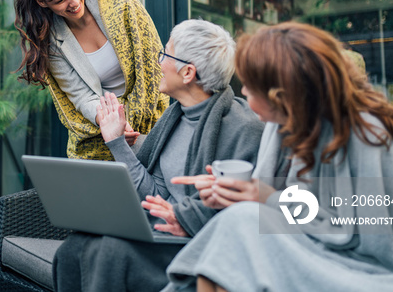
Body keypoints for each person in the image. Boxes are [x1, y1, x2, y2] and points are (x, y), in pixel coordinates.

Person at [167, 22, 393, 292]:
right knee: (236, 229)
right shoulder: (283, 128)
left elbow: (373, 243)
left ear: (280, 97)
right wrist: (233, 194)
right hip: (313, 244)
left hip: (370, 264)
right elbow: (282, 214)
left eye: (250, 87)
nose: (241, 92)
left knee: (240, 224)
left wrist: (265, 197)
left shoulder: (370, 138)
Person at [53, 19, 264, 292]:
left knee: (111, 252)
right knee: (73, 248)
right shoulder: (172, 120)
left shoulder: (244, 129)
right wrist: (117, 141)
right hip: (160, 229)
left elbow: (248, 214)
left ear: (188, 73)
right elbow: (154, 194)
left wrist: (186, 216)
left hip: (193, 243)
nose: (159, 61)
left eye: (166, 53)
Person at [14, 0, 169, 160]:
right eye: (61, 0)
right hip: (98, 137)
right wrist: (112, 123)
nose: (74, 2)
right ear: (42, 2)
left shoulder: (119, 3)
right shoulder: (51, 41)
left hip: (151, 122)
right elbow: (81, 96)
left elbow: (152, 66)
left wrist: (131, 120)